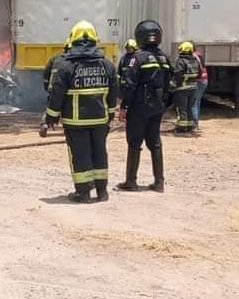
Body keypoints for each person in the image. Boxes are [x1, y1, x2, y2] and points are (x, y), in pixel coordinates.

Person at [44, 21, 117, 203]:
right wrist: (110, 114)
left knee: (80, 154)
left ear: (73, 39)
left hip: (76, 121)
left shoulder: (66, 66)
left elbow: (57, 93)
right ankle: (102, 192)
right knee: (99, 152)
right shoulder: (107, 64)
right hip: (100, 120)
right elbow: (113, 92)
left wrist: (51, 116)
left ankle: (83, 193)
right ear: (95, 39)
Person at [115, 19, 172, 192]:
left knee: (134, 142)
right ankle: (159, 182)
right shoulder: (165, 58)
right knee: (155, 142)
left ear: (139, 37)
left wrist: (124, 107)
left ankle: (131, 182)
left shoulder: (137, 59)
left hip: (139, 108)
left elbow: (130, 86)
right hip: (157, 107)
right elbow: (170, 84)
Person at [171, 41, 201, 135]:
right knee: (190, 108)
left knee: (182, 109)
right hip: (193, 89)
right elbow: (200, 73)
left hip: (182, 89)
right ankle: (190, 126)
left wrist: (171, 85)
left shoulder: (181, 61)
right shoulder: (195, 60)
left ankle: (181, 128)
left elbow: (178, 74)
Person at [190, 46, 208, 130]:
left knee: (193, 102)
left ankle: (194, 124)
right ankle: (196, 123)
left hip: (198, 81)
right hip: (204, 80)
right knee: (197, 102)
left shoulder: (192, 56)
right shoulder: (199, 55)